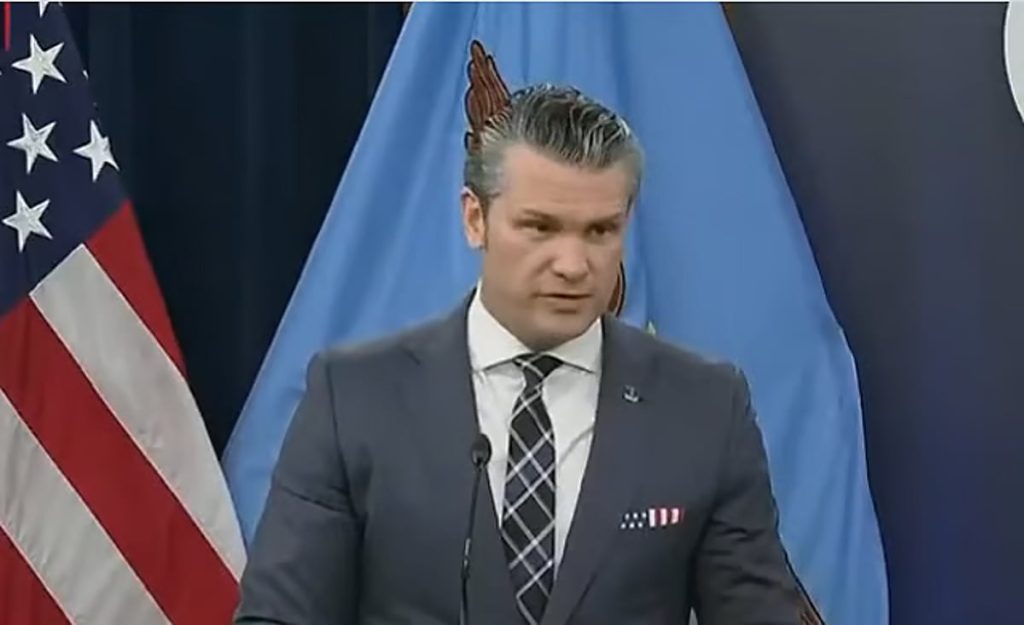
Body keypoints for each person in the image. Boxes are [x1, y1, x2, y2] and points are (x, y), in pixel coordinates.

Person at [234, 84, 803, 625]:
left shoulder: (704, 406)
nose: (573, 266)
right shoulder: (354, 397)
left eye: (600, 232)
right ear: (475, 219)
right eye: (540, 228)